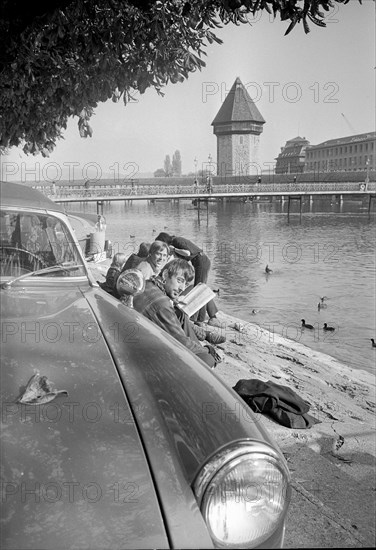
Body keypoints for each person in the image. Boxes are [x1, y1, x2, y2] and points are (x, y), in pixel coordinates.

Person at [133, 259, 217, 368]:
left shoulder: (148, 284)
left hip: (142, 337)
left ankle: (203, 340)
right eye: (180, 280)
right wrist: (206, 351)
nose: (182, 288)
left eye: (186, 284)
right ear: (165, 274)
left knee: (180, 314)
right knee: (208, 360)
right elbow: (181, 342)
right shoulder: (162, 303)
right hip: (149, 354)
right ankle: (205, 344)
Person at [155, 232, 220, 327]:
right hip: (199, 262)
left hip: (201, 262)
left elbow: (187, 253)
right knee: (199, 288)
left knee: (199, 289)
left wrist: (174, 249)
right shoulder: (175, 242)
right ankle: (201, 318)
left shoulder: (176, 241)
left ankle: (199, 319)